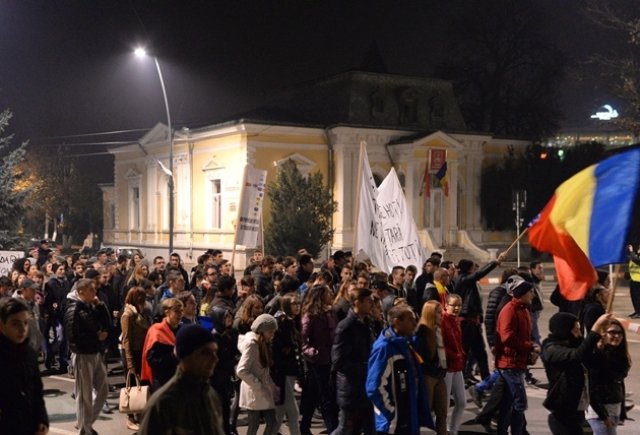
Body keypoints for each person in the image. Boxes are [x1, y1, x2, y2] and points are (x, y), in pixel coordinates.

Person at [139, 323, 225, 435]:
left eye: (215, 352)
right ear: (186, 356)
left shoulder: (211, 395)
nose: (215, 359)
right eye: (205, 353)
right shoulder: (162, 404)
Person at [366, 303, 434, 435]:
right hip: (393, 423)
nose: (415, 323)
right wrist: (393, 413)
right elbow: (374, 387)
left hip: (408, 416)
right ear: (397, 322)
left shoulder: (406, 343)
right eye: (410, 319)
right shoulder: (384, 348)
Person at [542, 311, 611, 434]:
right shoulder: (552, 349)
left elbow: (594, 365)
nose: (579, 334)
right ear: (564, 330)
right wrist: (595, 330)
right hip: (561, 412)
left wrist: (601, 347)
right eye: (575, 330)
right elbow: (577, 355)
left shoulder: (574, 345)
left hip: (577, 410)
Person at [64, 278, 110, 435]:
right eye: (91, 290)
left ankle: (87, 424)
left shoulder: (90, 306)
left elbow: (107, 322)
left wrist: (100, 305)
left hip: (95, 352)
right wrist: (96, 337)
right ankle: (85, 429)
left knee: (103, 390)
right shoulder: (73, 309)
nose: (95, 293)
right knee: (84, 396)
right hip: (83, 355)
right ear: (81, 291)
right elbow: (72, 337)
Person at [494, 279, 539, 435]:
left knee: (508, 403)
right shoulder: (509, 310)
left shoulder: (524, 309)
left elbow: (525, 335)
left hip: (517, 362)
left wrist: (532, 347)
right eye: (530, 291)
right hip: (509, 364)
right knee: (520, 404)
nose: (533, 294)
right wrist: (529, 346)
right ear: (521, 294)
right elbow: (507, 337)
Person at [0, 298, 50, 435]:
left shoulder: (29, 353)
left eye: (26, 323)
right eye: (15, 324)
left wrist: (42, 419)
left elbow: (36, 391)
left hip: (28, 426)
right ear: (2, 325)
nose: (22, 329)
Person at [331, 287, 376, 435]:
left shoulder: (366, 323)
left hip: (365, 386)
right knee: (345, 428)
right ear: (357, 303)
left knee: (368, 428)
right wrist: (365, 368)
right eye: (369, 301)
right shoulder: (346, 327)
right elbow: (338, 361)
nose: (372, 304)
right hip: (351, 388)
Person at [300, 284, 339, 434]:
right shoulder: (310, 316)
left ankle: (304, 425)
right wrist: (313, 353)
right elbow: (303, 340)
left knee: (314, 393)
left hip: (330, 359)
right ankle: (332, 429)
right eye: (328, 293)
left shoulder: (331, 313)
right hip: (317, 361)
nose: (331, 295)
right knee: (326, 397)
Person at [586, 318, 631, 434]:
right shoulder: (597, 355)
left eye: (620, 333)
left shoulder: (619, 356)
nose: (617, 336)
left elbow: (619, 383)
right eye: (612, 332)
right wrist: (603, 416)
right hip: (600, 412)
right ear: (603, 334)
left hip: (614, 409)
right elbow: (592, 389)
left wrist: (622, 412)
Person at [236, 313, 280, 435]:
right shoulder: (252, 345)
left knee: (272, 422)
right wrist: (258, 385)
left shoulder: (263, 343)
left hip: (262, 390)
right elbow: (241, 370)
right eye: (270, 331)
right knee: (254, 425)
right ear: (262, 331)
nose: (273, 334)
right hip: (254, 392)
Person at [414, 300, 447, 435]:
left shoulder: (439, 329)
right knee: (425, 413)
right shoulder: (421, 332)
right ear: (431, 314)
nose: (442, 315)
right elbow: (420, 359)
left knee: (442, 413)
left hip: (439, 375)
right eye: (439, 313)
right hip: (428, 376)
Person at [272, 293, 303, 435]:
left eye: (298, 303)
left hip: (289, 371)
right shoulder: (282, 322)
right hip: (282, 373)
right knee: (287, 411)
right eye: (294, 303)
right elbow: (278, 349)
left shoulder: (293, 321)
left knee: (287, 412)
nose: (298, 306)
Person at [120, 287, 151, 431]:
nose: (144, 303)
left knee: (140, 385)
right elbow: (126, 340)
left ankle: (139, 415)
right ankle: (130, 417)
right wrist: (130, 362)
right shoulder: (128, 315)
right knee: (131, 385)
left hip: (141, 352)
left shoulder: (140, 313)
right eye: (141, 300)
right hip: (131, 352)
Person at [141, 298, 183, 391]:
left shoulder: (182, 330)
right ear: (167, 312)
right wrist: (173, 356)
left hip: (180, 379)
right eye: (176, 311)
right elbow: (152, 360)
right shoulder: (156, 331)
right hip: (162, 381)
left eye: (181, 311)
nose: (180, 314)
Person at [441, 293, 466, 435]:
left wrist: (460, 355)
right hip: (447, 367)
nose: (456, 308)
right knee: (443, 405)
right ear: (446, 305)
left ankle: (453, 430)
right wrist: (455, 355)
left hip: (457, 366)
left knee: (461, 402)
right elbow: (442, 345)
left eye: (459, 305)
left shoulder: (456, 321)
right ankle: (442, 430)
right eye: (453, 305)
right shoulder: (442, 320)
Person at [627, 244, 640, 318]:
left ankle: (639, 312)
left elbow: (636, 260)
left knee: (638, 297)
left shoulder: (635, 257)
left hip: (638, 280)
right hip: (633, 279)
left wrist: (631, 251)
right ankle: (637, 311)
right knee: (634, 297)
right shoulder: (634, 256)